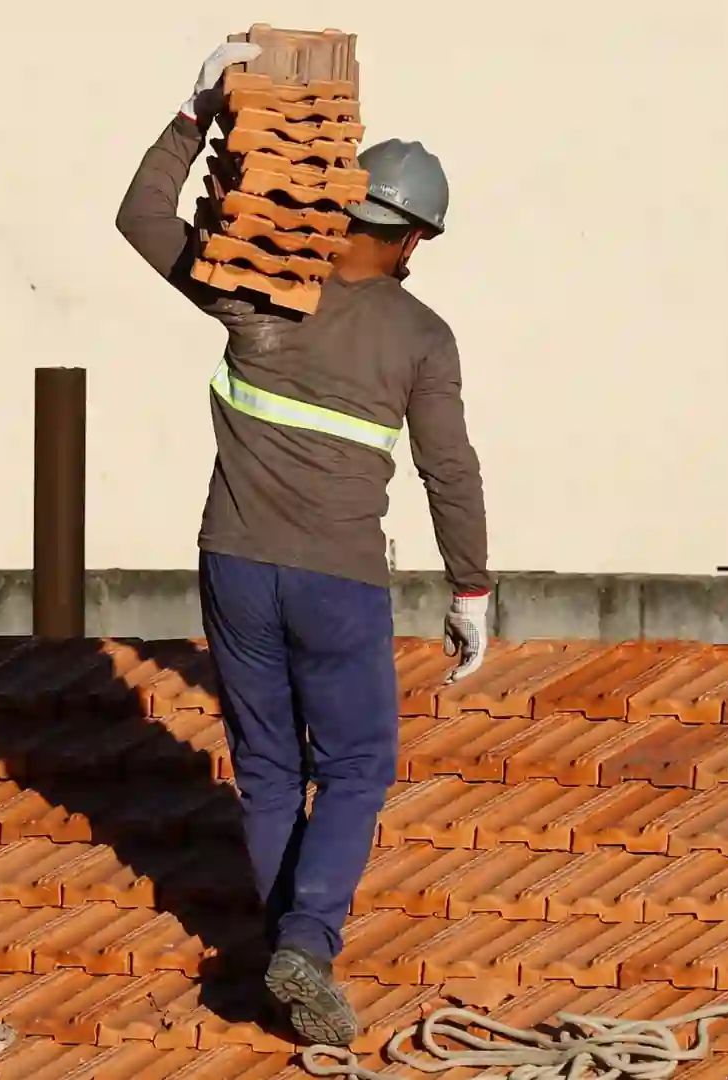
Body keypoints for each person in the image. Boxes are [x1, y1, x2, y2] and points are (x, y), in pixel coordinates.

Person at [114, 41, 494, 1047]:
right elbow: (448, 471)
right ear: (408, 235)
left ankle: (288, 947)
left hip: (233, 564)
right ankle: (307, 941)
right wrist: (472, 592)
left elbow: (141, 218)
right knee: (359, 762)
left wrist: (196, 115)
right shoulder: (420, 337)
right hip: (337, 580)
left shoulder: (258, 286)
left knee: (271, 769)